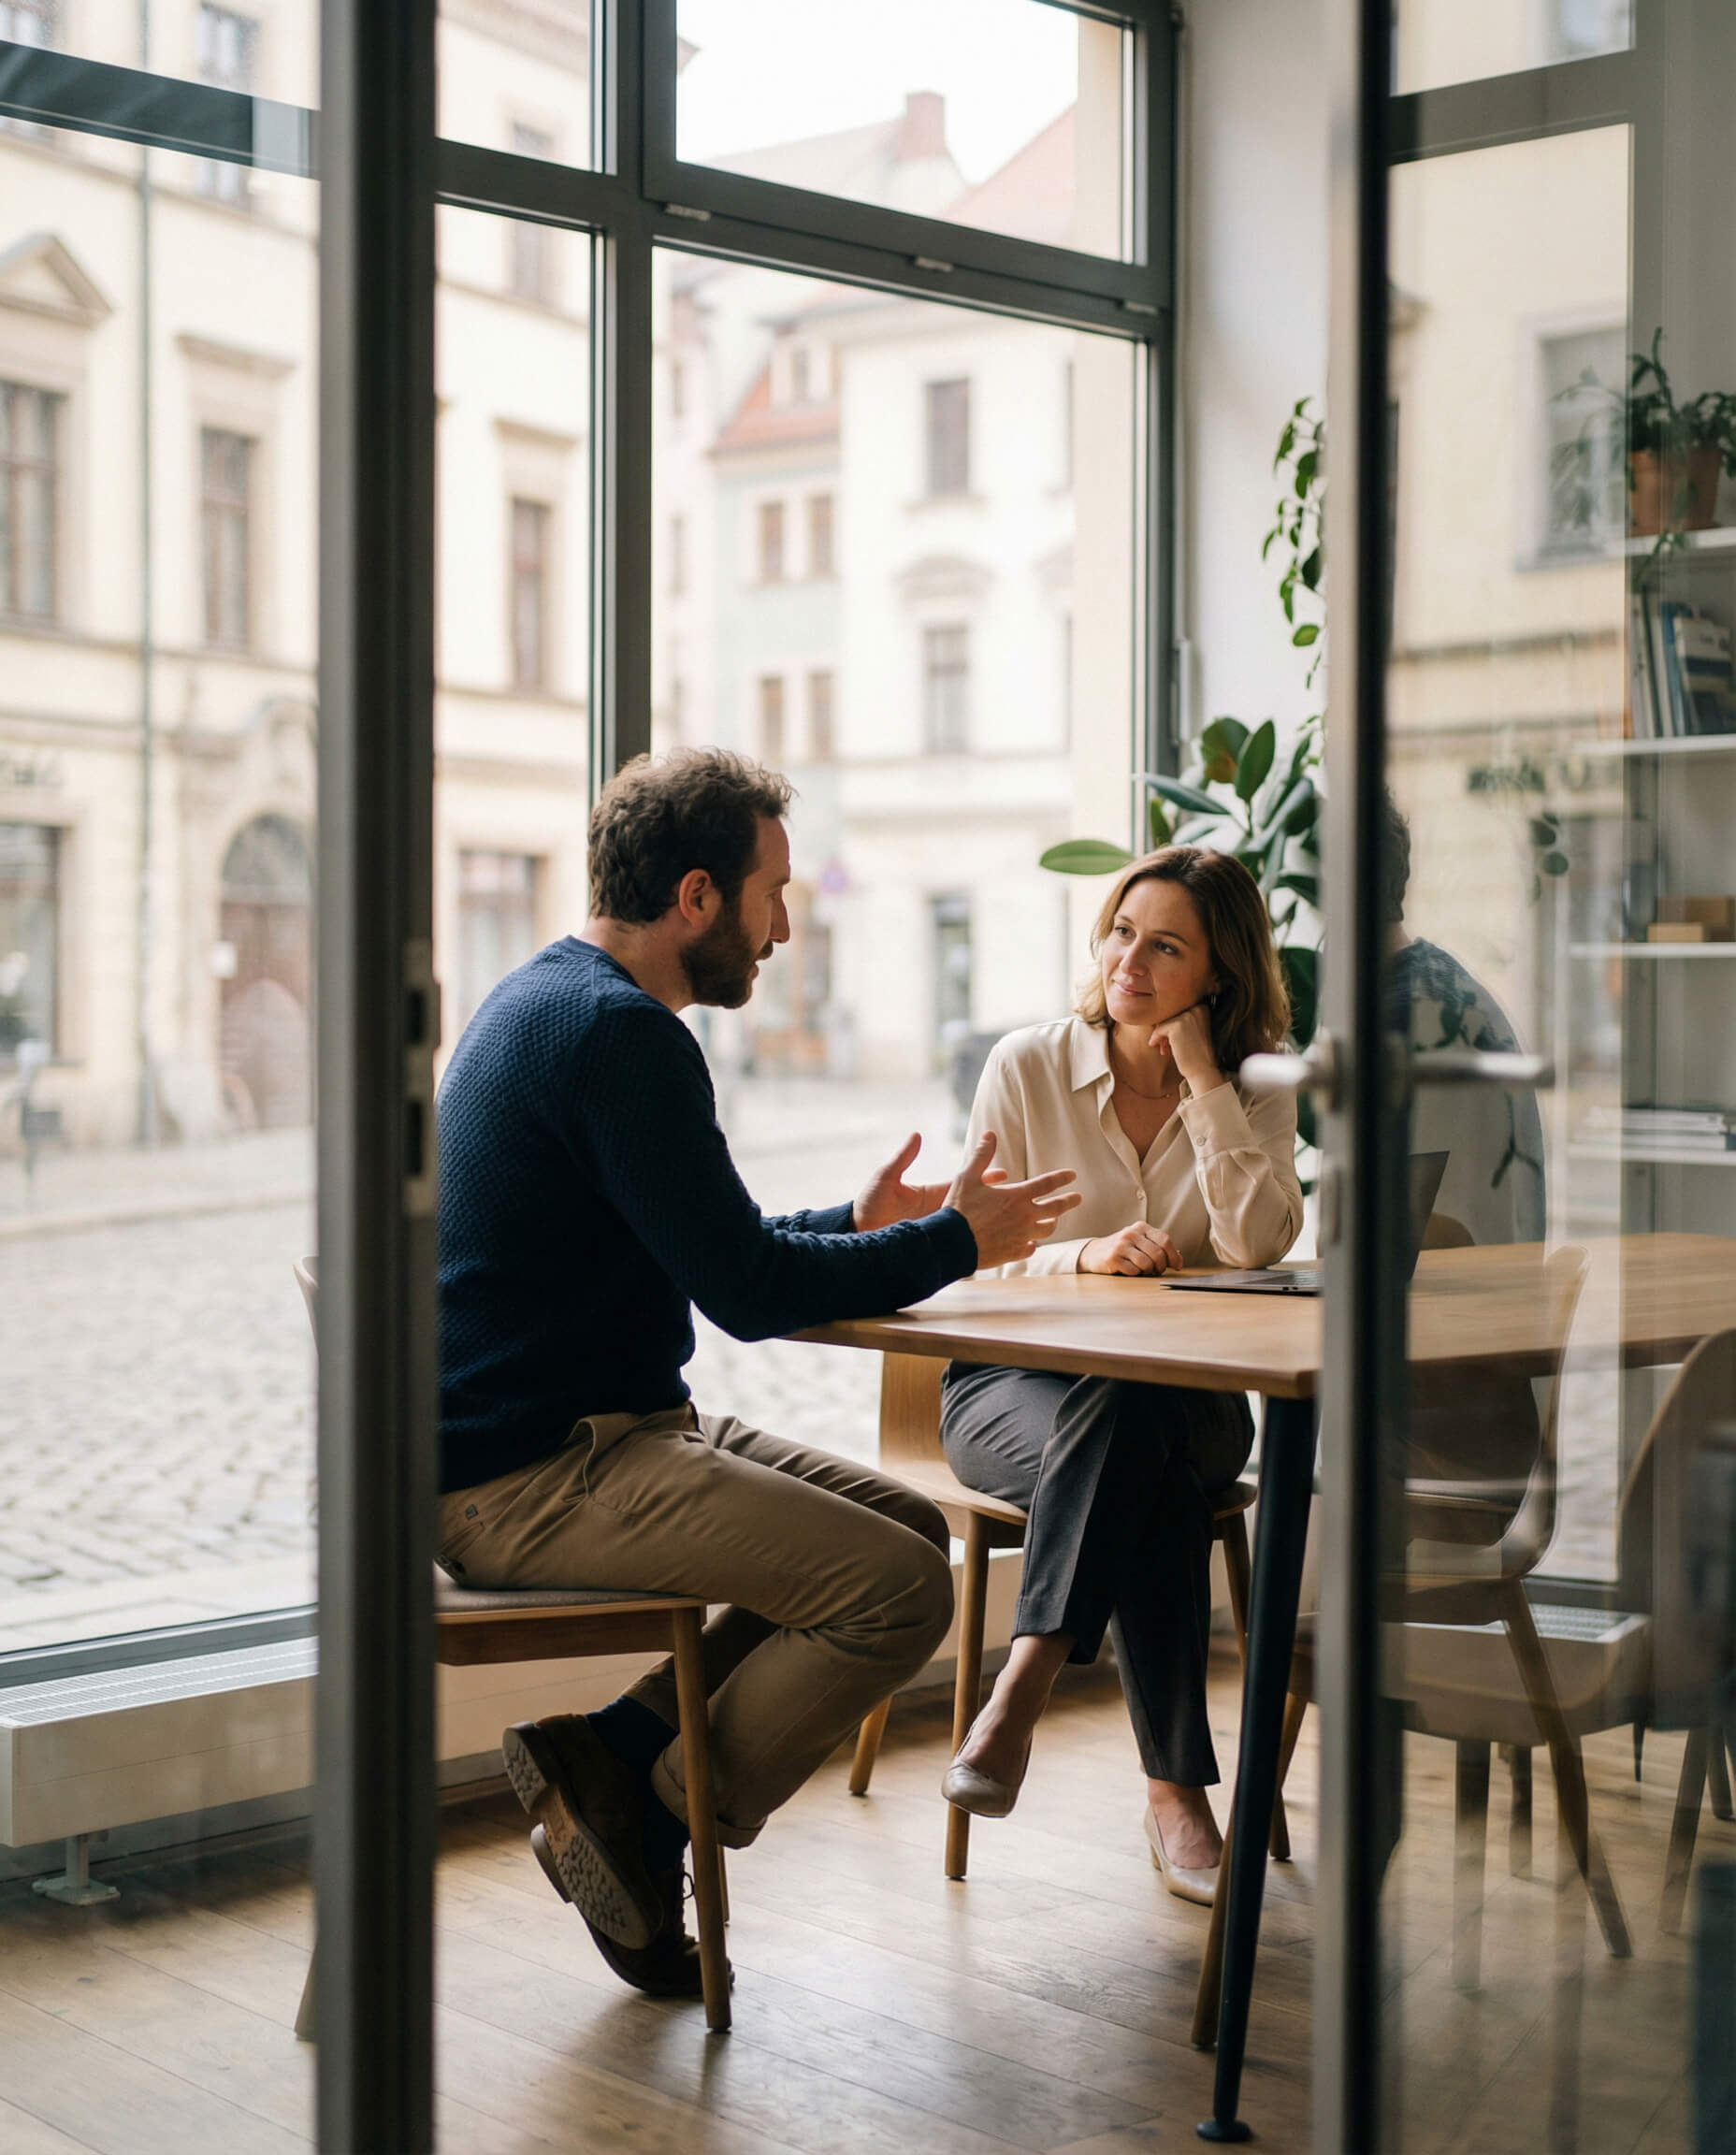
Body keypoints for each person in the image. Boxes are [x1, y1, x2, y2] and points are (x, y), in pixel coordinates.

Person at [436, 747, 1078, 1999]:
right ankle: (655, 1816)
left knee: (899, 1524)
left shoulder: (550, 998)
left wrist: (854, 1219)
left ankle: (615, 1756)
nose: (785, 926)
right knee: (898, 1591)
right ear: (695, 898)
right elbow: (746, 1297)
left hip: (579, 1435)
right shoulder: (623, 1039)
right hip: (534, 1475)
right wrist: (955, 1240)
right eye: (771, 892)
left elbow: (714, 1247)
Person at [937, 846, 1302, 1903]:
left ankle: (1022, 1683)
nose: (1128, 960)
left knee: (1139, 1410)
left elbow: (1257, 1245)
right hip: (1010, 1390)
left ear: (1218, 976)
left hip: (1190, 1401)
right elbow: (975, 1250)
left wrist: (1200, 1086)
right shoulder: (1027, 1065)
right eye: (1120, 932)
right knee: (1140, 1467)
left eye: (1165, 946)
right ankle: (1175, 1797)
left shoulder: (1252, 1083)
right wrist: (1079, 1254)